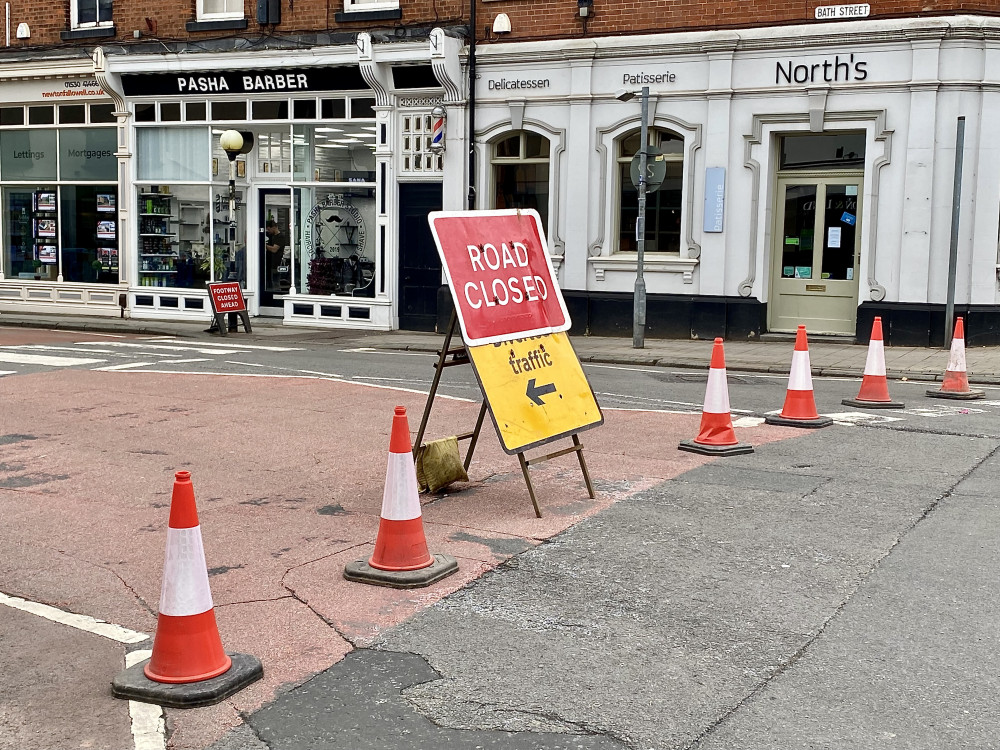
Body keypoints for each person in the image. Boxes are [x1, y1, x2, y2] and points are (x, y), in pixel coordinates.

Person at [264, 220, 287, 289]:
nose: (268, 231)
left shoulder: (280, 237)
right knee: (268, 283)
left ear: (274, 227)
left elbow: (274, 249)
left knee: (275, 283)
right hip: (268, 264)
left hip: (275, 264)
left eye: (269, 229)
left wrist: (264, 245)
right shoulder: (271, 236)